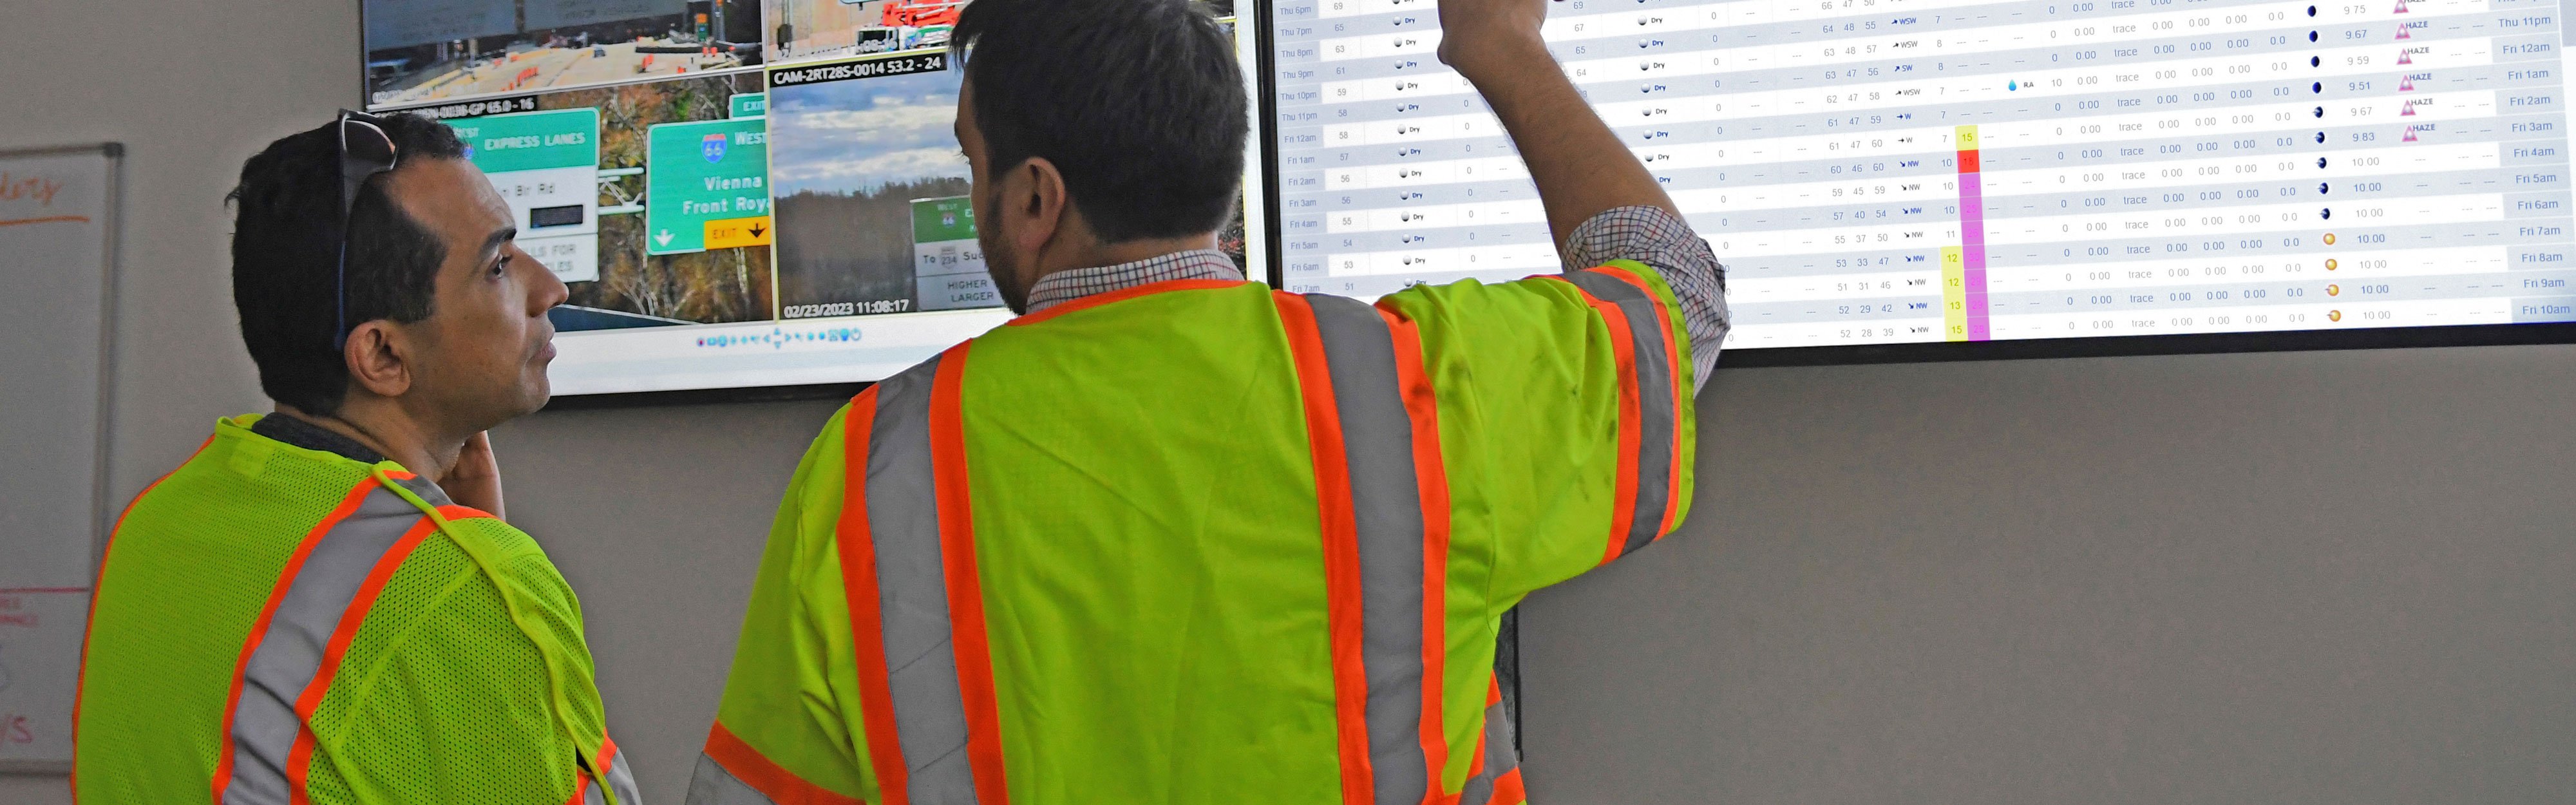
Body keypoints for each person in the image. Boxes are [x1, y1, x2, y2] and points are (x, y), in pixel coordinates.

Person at [685, 0, 1727, 799]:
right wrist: (1501, 44)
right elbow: (1677, 296)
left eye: (973, 162)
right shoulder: (1415, 387)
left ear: (1038, 198)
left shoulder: (872, 468)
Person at [73, 111, 639, 805]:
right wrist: (479, 567)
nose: (551, 288)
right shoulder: (463, 582)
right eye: (497, 266)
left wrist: (462, 544)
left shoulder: (157, 521)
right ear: (382, 354)